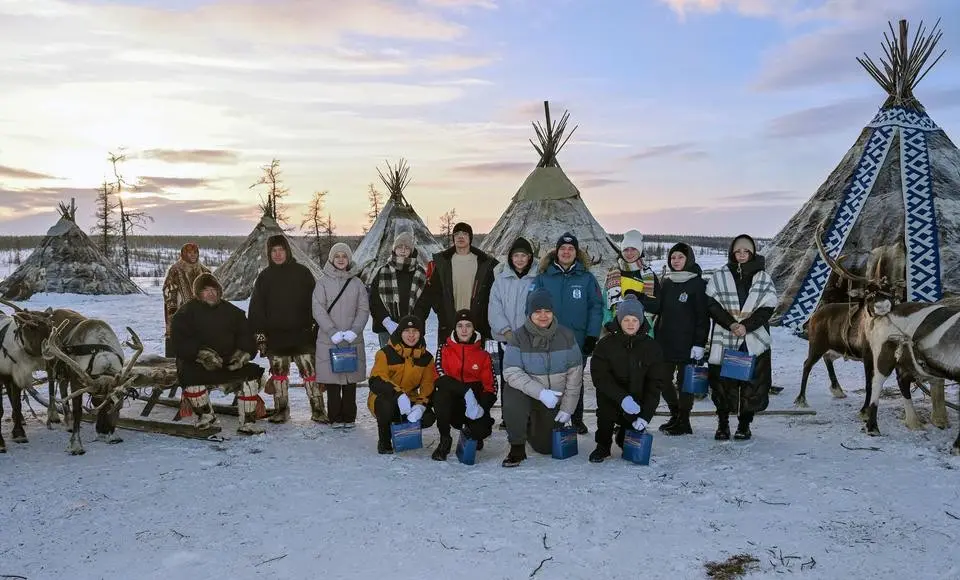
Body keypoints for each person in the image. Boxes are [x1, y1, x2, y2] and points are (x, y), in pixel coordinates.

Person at [170, 273, 267, 434]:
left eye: (214, 290)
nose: (211, 293)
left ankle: (248, 422)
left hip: (228, 361)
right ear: (198, 293)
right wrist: (201, 354)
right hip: (198, 363)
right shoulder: (185, 314)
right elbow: (180, 343)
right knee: (189, 377)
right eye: (206, 290)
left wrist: (243, 354)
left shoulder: (233, 312)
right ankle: (206, 416)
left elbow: (246, 337)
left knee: (251, 376)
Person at [704, 234, 778, 441]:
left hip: (752, 338)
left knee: (751, 383)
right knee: (723, 383)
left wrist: (746, 326)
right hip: (726, 334)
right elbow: (711, 304)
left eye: (746, 251)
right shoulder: (720, 275)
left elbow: (768, 307)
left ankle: (744, 424)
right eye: (738, 251)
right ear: (732, 253)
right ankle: (723, 424)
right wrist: (731, 323)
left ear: (752, 252)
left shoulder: (763, 277)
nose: (742, 255)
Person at [500, 288, 583, 467]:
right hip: (530, 395)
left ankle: (533, 425)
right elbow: (511, 372)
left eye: (547, 311)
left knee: (545, 447)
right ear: (529, 313)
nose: (543, 316)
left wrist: (568, 409)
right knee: (512, 391)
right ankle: (517, 445)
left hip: (554, 400)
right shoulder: (518, 337)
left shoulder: (567, 336)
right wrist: (541, 393)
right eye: (537, 311)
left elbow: (575, 377)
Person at [635, 242, 709, 435]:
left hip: (687, 343)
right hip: (665, 341)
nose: (676, 261)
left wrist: (699, 343)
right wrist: (638, 298)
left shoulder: (697, 284)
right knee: (662, 380)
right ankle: (675, 413)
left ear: (689, 259)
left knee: (685, 383)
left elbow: (703, 316)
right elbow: (658, 307)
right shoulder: (666, 282)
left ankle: (684, 420)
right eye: (673, 257)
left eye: (680, 257)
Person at [533, 232, 602, 434]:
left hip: (577, 340)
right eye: (562, 248)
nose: (566, 252)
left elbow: (596, 307)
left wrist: (592, 336)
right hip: (549, 340)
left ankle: (576, 417)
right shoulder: (543, 278)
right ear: (556, 252)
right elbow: (532, 307)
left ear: (576, 253)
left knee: (575, 381)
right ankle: (552, 417)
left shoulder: (587, 279)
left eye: (570, 249)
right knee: (550, 379)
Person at [248, 235, 322, 424]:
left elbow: (316, 302)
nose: (278, 254)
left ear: (287, 251)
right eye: (274, 251)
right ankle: (282, 410)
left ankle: (318, 409)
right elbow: (256, 309)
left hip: (302, 335)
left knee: (310, 373)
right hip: (276, 338)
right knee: (279, 376)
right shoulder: (264, 277)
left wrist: (315, 328)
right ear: (269, 253)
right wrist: (261, 337)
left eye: (281, 250)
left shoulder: (302, 273)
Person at [588, 295, 668, 462]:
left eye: (634, 320)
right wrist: (622, 398)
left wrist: (646, 416)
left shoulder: (652, 347)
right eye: (626, 320)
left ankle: (624, 434)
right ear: (619, 320)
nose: (631, 324)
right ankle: (602, 445)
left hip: (637, 400)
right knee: (605, 413)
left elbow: (655, 384)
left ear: (640, 321)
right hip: (611, 396)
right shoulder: (605, 345)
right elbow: (599, 377)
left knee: (629, 444)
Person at [312, 242, 369, 429]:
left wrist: (355, 330)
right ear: (331, 259)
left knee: (350, 380)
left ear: (349, 259)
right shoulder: (322, 283)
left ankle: (349, 416)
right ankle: (335, 416)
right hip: (330, 338)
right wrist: (332, 331)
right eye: (337, 256)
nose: (341, 259)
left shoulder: (357, 283)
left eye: (344, 256)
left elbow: (363, 309)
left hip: (352, 337)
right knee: (333, 381)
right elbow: (318, 309)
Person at [431, 310, 497, 461]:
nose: (464, 330)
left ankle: (472, 432)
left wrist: (481, 408)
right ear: (455, 328)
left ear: (474, 328)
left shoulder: (483, 354)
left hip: (474, 405)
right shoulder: (444, 349)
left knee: (481, 430)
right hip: (452, 402)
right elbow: (439, 375)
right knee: (441, 393)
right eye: (460, 326)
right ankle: (445, 440)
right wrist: (465, 391)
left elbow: (491, 387)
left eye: (468, 325)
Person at [417, 222, 498, 342]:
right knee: (449, 358)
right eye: (457, 234)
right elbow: (433, 291)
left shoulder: (484, 263)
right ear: (453, 238)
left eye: (464, 233)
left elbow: (492, 291)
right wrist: (441, 309)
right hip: (449, 321)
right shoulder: (443, 262)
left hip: (476, 322)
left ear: (470, 238)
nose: (460, 237)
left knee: (474, 359)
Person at [367, 315, 437, 454]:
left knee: (428, 417)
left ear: (421, 334)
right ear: (400, 333)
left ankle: (402, 427)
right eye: (406, 331)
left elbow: (428, 385)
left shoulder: (427, 358)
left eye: (415, 331)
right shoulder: (385, 353)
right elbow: (376, 380)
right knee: (385, 405)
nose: (411, 335)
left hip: (409, 397)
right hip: (384, 396)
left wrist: (420, 406)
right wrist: (398, 394)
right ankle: (384, 440)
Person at [487, 236, 537, 429]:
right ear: (510, 257)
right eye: (516, 255)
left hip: (530, 338)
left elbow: (539, 308)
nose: (519, 259)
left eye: (523, 255)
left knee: (530, 377)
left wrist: (530, 332)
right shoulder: (500, 280)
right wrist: (506, 332)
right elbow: (494, 307)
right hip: (506, 339)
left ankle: (530, 415)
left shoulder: (537, 279)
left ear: (529, 257)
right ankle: (508, 416)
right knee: (508, 377)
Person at [368, 230, 428, 349]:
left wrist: (412, 323)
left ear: (411, 250)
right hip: (387, 329)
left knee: (412, 365)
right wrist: (387, 322)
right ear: (394, 249)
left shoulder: (420, 273)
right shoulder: (382, 272)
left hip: (413, 330)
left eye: (406, 247)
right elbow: (374, 300)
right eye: (399, 247)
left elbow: (424, 302)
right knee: (389, 363)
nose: (403, 250)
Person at [604, 229, 660, 337]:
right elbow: (604, 303)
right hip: (616, 330)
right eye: (626, 249)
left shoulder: (649, 276)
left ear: (639, 250)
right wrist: (608, 323)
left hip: (644, 332)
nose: (629, 253)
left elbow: (656, 305)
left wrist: (639, 298)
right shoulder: (613, 274)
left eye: (633, 249)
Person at [162, 243, 210, 357]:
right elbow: (168, 289)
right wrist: (172, 308)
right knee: (179, 336)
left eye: (195, 253)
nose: (193, 255)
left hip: (200, 311)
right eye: (189, 253)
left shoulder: (204, 270)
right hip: (180, 310)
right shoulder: (175, 270)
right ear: (184, 254)